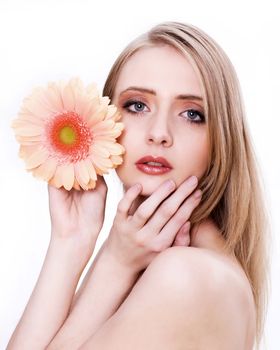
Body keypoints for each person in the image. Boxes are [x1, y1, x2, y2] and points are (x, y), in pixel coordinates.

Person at [7, 21, 269, 350]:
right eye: (137, 106)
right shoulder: (143, 251)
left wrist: (114, 265)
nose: (159, 132)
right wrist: (71, 240)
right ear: (105, 121)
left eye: (191, 113)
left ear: (221, 139)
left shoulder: (187, 275)